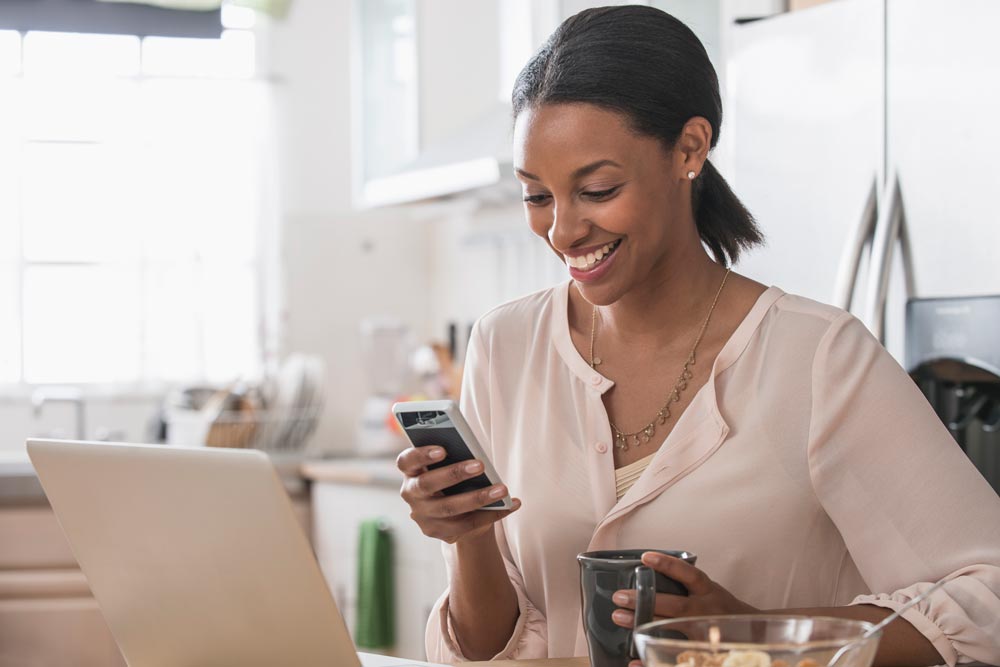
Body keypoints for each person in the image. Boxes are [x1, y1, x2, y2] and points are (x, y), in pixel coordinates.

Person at [395, 6, 1000, 666]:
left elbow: (987, 597)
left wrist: (756, 630)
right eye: (537, 196)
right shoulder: (505, 344)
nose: (563, 231)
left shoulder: (820, 357)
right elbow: (492, 648)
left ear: (690, 149)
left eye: (597, 189)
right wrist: (468, 536)